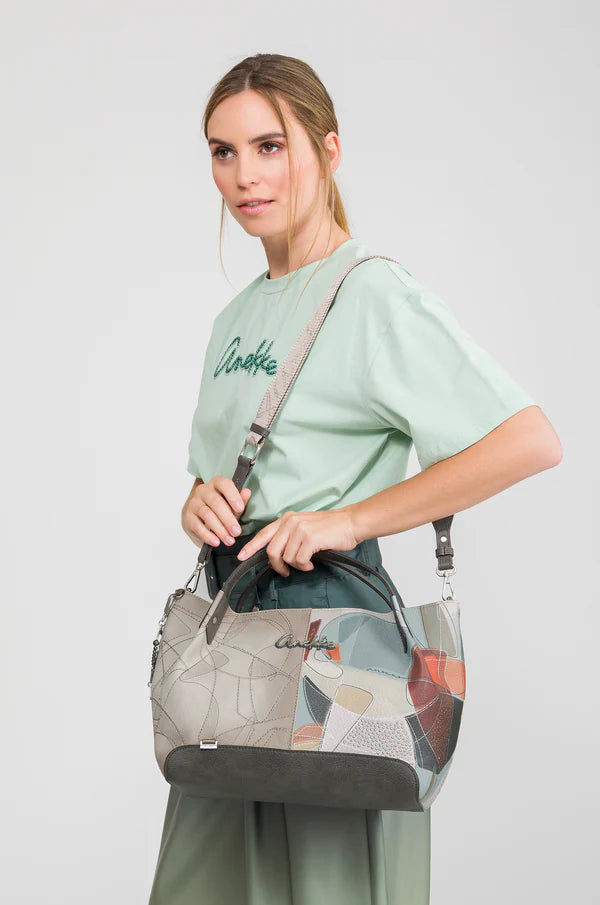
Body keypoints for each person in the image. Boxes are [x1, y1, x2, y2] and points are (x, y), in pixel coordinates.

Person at [147, 53, 562, 905]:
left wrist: (347, 519)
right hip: (233, 652)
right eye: (223, 152)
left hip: (334, 648)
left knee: (332, 882)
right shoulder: (234, 319)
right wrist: (199, 501)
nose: (244, 175)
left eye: (270, 146)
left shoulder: (372, 294)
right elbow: (220, 472)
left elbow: (528, 440)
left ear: (328, 151)